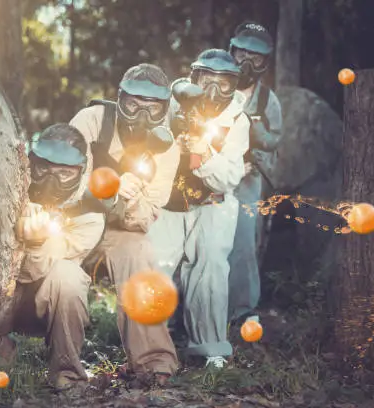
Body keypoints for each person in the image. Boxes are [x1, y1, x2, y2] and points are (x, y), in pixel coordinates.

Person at [70, 63, 181, 386]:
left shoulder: (167, 146)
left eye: (152, 107)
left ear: (164, 109)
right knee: (56, 274)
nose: (141, 115)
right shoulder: (91, 121)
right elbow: (67, 181)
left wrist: (129, 200)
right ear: (120, 99)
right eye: (133, 105)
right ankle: (62, 362)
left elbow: (148, 213)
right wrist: (110, 185)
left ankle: (153, 360)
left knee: (140, 254)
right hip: (76, 219)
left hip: (121, 228)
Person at [147, 49, 250, 369]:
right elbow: (143, 151)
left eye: (224, 84)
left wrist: (204, 154)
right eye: (207, 82)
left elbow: (229, 177)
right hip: (168, 202)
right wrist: (171, 147)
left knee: (210, 271)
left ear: (234, 86)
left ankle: (209, 349)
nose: (214, 92)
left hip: (212, 205)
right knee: (154, 269)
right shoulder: (169, 106)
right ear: (193, 80)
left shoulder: (237, 121)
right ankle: (149, 348)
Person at [11, 123, 108, 393]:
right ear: (30, 161)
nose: (52, 181)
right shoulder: (8, 186)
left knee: (69, 276)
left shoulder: (89, 216)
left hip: (35, 305)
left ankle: (67, 374)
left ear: (81, 171)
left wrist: (37, 240)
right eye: (44, 168)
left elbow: (31, 272)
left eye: (65, 173)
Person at [227, 22, 283, 325]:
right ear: (231, 51)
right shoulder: (214, 86)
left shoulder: (266, 100)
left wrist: (255, 140)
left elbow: (275, 140)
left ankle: (242, 311)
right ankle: (191, 311)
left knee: (243, 242)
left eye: (256, 57)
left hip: (248, 181)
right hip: (209, 177)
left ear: (264, 63)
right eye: (242, 53)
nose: (246, 62)